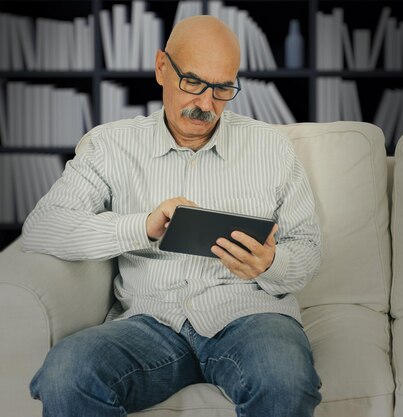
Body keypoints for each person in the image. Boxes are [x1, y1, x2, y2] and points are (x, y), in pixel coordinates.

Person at [22, 15, 322, 417]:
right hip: (149, 322)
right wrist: (142, 226)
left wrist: (271, 263)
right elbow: (42, 228)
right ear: (162, 67)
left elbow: (306, 249)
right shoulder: (110, 146)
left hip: (251, 318)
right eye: (193, 82)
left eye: (222, 89)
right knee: (65, 373)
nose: (205, 104)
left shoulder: (272, 148)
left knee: (284, 379)